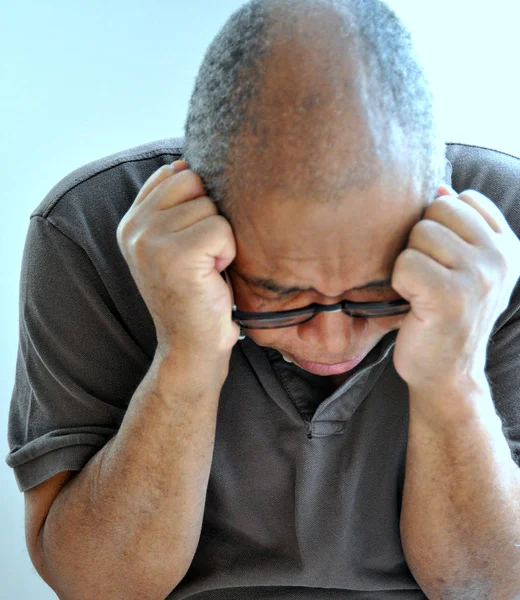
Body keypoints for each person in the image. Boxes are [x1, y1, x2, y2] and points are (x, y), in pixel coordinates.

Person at [6, 0, 520, 599]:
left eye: (375, 297)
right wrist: (186, 354)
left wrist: (453, 376)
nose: (331, 341)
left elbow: (490, 587)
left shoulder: (497, 241)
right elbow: (97, 587)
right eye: (282, 299)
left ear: (435, 207)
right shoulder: (88, 230)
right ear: (207, 217)